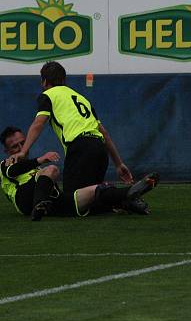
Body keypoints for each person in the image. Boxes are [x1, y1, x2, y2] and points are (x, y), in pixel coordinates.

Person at [13, 61, 136, 212]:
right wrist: (118, 163)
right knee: (89, 201)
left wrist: (24, 151)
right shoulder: (81, 98)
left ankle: (124, 196)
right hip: (99, 148)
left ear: (44, 81)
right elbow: (104, 133)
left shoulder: (48, 95)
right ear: (64, 80)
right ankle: (122, 202)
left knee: (71, 201)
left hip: (80, 148)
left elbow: (39, 123)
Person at [0, 126, 158, 220]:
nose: (20, 148)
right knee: (52, 170)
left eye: (22, 143)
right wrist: (40, 159)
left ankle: (127, 196)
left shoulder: (36, 170)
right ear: (7, 151)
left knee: (96, 191)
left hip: (51, 200)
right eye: (15, 146)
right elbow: (14, 171)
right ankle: (38, 207)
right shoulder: (7, 163)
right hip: (25, 201)